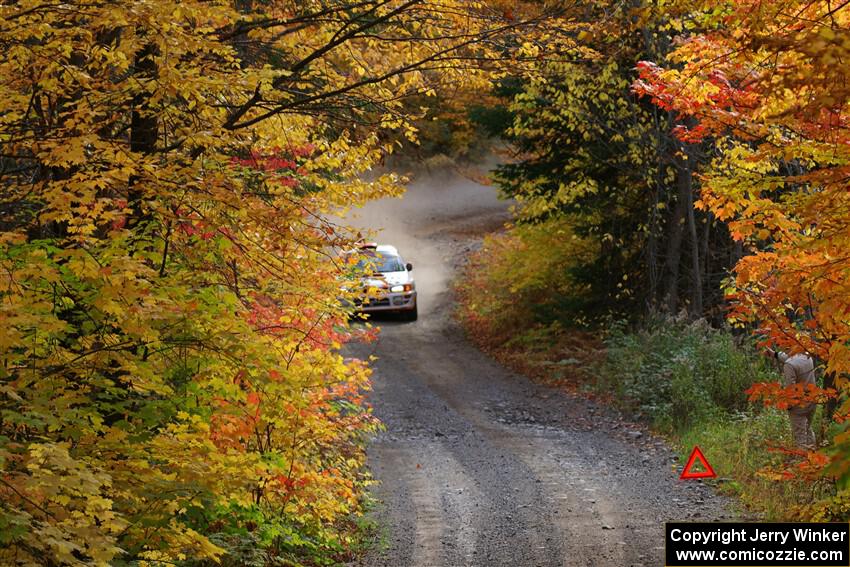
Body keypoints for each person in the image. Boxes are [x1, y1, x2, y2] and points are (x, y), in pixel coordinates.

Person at [766, 348, 816, 450]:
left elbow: (790, 389)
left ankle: (803, 462)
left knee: (800, 436)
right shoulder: (807, 356)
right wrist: (775, 354)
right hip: (812, 400)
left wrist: (789, 405)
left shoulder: (789, 365)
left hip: (798, 405)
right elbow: (791, 359)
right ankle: (814, 458)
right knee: (807, 428)